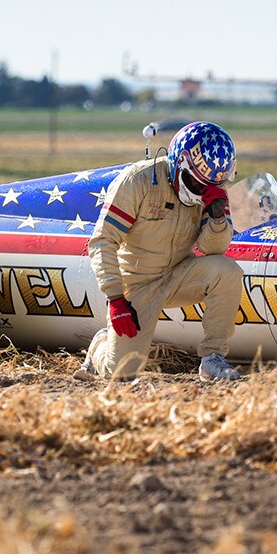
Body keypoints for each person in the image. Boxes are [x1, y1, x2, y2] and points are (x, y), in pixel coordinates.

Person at [77, 121, 244, 381]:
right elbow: (102, 240)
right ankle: (101, 345)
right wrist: (116, 299)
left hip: (180, 273)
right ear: (179, 163)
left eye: (209, 188)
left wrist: (217, 219)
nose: (201, 192)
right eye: (197, 184)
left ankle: (213, 358)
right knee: (121, 373)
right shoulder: (137, 180)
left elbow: (213, 250)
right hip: (137, 283)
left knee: (228, 271)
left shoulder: (212, 191)